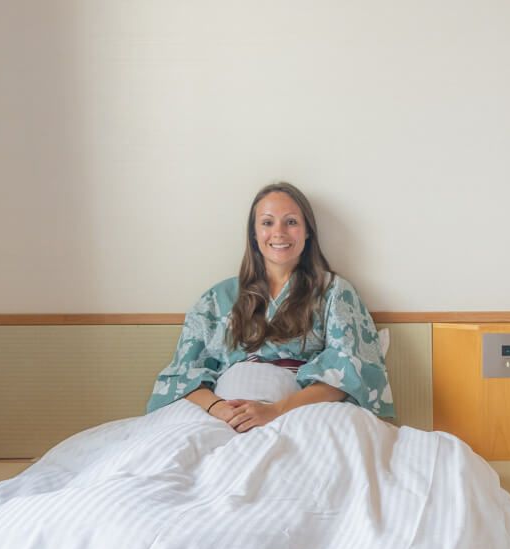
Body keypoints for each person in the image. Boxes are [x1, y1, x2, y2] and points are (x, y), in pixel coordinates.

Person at [147, 182, 394, 431]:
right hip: (220, 416)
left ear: (308, 231)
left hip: (299, 413)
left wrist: (275, 410)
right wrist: (218, 408)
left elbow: (352, 371)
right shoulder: (216, 298)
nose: (279, 233)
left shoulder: (334, 292)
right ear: (254, 233)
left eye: (291, 222)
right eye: (267, 223)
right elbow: (181, 374)